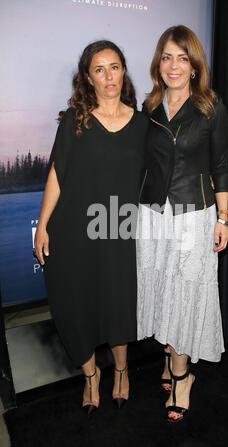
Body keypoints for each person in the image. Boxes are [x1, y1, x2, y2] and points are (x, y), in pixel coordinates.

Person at [34, 40, 148, 415]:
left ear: (124, 71)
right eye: (99, 69)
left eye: (114, 67)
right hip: (73, 232)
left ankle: (120, 370)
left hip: (118, 231)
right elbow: (57, 173)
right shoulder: (74, 121)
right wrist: (43, 224)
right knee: (75, 303)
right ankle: (90, 376)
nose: (108, 76)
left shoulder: (143, 124)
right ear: (88, 78)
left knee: (118, 304)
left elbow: (162, 173)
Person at [137, 25, 228, 423]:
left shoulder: (210, 107)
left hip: (195, 215)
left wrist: (223, 217)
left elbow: (221, 166)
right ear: (158, 63)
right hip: (153, 216)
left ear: (194, 66)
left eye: (182, 58)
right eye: (167, 57)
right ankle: (170, 357)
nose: (174, 66)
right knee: (161, 290)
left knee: (185, 295)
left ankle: (183, 376)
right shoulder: (149, 106)